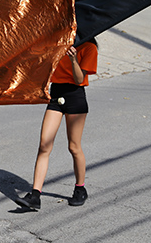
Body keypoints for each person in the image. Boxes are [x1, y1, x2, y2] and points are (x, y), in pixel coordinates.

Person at [15, 40, 98, 210]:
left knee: (74, 147)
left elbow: (79, 78)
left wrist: (74, 59)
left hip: (75, 96)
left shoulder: (89, 47)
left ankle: (80, 189)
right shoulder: (59, 43)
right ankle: (35, 195)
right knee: (44, 146)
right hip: (56, 95)